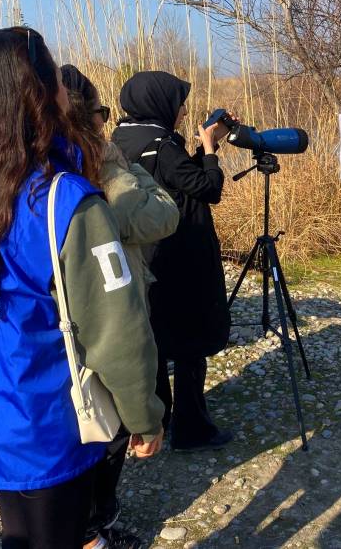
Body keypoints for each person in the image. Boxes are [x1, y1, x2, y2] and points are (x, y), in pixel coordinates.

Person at [0, 27, 164, 549]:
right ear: (39, 94)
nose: (68, 90)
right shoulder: (68, 200)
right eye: (56, 77)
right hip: (50, 426)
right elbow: (117, 327)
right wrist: (144, 414)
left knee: (18, 539)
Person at [61, 63, 180, 547]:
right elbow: (161, 215)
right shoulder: (93, 183)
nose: (106, 125)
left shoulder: (21, 179)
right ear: (84, 121)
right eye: (98, 115)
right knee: (107, 431)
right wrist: (119, 167)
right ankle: (94, 531)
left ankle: (86, 524)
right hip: (105, 322)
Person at [112, 71, 233, 452]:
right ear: (160, 103)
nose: (183, 110)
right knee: (190, 343)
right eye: (179, 102)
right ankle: (192, 429)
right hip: (180, 254)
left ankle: (156, 420)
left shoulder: (120, 138)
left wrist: (200, 152)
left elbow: (179, 179)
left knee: (157, 338)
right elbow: (208, 188)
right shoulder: (163, 144)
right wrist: (211, 150)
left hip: (143, 253)